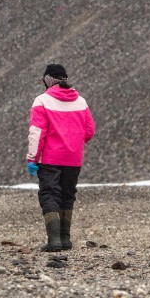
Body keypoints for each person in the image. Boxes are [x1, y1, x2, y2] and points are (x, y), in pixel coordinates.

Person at [26, 63, 96, 253]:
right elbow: (89, 131)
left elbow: (37, 132)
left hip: (50, 158)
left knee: (49, 194)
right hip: (73, 158)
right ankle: (65, 239)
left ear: (48, 81)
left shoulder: (41, 101)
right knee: (67, 195)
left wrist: (32, 158)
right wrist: (73, 144)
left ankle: (54, 240)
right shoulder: (80, 101)